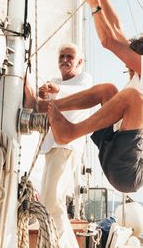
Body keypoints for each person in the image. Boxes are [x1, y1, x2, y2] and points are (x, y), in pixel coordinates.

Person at [46, 0, 143, 194]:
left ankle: (71, 131)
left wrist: (94, 6)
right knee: (108, 90)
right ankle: (48, 107)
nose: (126, 58)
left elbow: (110, 41)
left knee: (132, 98)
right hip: (117, 156)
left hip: (133, 170)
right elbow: (117, 29)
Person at [24, 43, 92, 248]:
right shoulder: (53, 82)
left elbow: (80, 93)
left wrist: (55, 91)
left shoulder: (84, 79)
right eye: (61, 56)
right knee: (47, 201)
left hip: (67, 147)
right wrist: (40, 94)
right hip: (51, 147)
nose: (64, 59)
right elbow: (41, 107)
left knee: (53, 202)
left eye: (69, 56)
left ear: (79, 61)